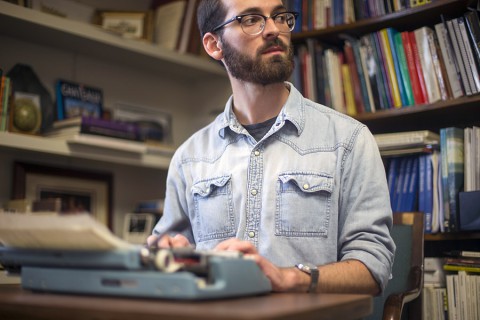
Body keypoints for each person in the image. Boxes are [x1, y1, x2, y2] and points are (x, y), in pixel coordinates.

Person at [148, 0, 395, 295]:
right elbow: (164, 262)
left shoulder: (350, 140)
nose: (274, 29)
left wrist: (292, 278)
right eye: (252, 19)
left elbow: (373, 267)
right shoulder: (189, 158)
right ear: (214, 45)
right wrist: (166, 253)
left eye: (279, 16)